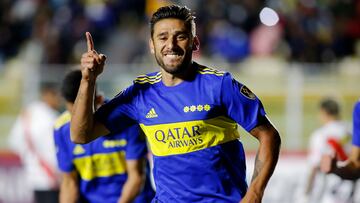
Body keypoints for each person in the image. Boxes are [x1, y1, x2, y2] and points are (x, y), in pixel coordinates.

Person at [71, 5, 281, 203]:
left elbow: (269, 135)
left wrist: (254, 193)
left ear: (194, 43)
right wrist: (88, 80)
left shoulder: (219, 85)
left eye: (180, 37)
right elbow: (81, 135)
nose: (170, 45)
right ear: (152, 45)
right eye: (162, 37)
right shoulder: (140, 94)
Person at [54, 70, 155, 203]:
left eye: (84, 116)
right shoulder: (61, 129)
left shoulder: (127, 119)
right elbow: (69, 184)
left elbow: (136, 177)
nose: (78, 123)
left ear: (99, 100)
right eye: (73, 114)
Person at [8, 82, 61, 203]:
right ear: (47, 95)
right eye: (56, 95)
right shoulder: (51, 117)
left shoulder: (29, 112)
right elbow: (53, 150)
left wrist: (29, 158)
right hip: (52, 176)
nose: (59, 100)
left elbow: (14, 141)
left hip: (33, 174)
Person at [304, 98, 353, 202]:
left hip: (329, 190)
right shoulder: (352, 131)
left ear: (323, 112)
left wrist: (306, 193)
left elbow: (314, 165)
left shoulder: (320, 135)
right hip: (351, 186)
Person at [321, 100, 360, 180]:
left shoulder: (320, 135)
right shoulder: (349, 128)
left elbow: (354, 161)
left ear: (324, 113)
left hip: (337, 184)